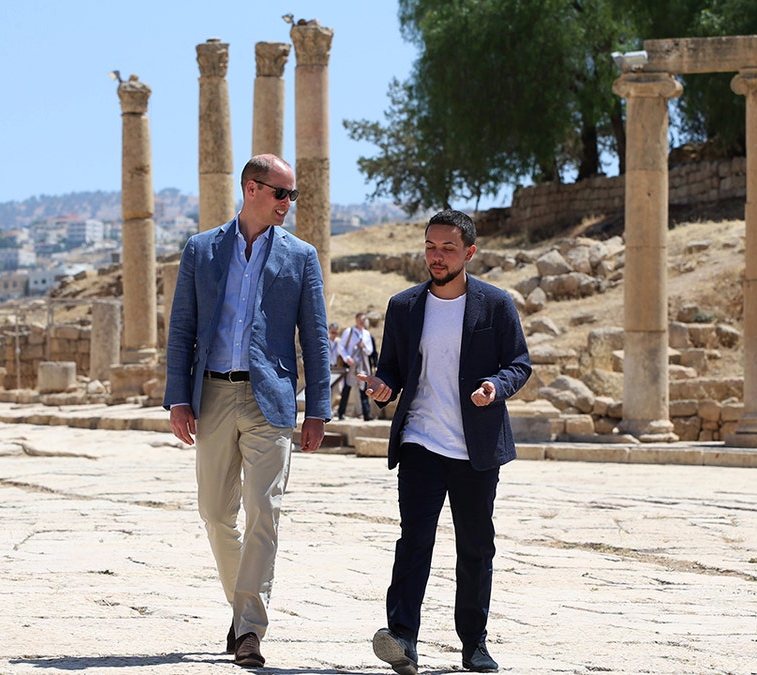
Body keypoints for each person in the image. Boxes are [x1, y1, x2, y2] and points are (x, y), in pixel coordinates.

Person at [162, 153, 330, 669]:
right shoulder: (201, 250)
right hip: (210, 394)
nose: (288, 204)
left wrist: (318, 407)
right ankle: (243, 608)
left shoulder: (301, 256)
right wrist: (177, 397)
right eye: (282, 193)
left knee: (264, 510)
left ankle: (249, 630)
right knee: (215, 513)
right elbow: (182, 328)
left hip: (271, 400)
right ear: (251, 189)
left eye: (292, 195)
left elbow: (316, 337)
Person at [359, 209, 531, 674]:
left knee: (476, 547)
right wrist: (382, 388)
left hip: (476, 449)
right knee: (414, 541)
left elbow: (519, 363)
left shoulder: (496, 305)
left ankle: (474, 643)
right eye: (431, 247)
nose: (437, 256)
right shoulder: (404, 306)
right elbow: (393, 369)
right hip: (420, 442)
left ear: (469, 253)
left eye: (448, 248)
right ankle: (402, 637)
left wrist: (496, 386)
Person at [336, 312, 375, 421]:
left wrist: (364, 346)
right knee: (347, 388)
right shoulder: (349, 332)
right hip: (351, 364)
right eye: (361, 319)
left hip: (362, 365)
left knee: (363, 388)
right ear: (356, 320)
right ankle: (341, 413)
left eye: (364, 320)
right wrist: (347, 358)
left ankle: (366, 413)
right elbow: (341, 347)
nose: (362, 322)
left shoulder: (366, 334)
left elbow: (370, 351)